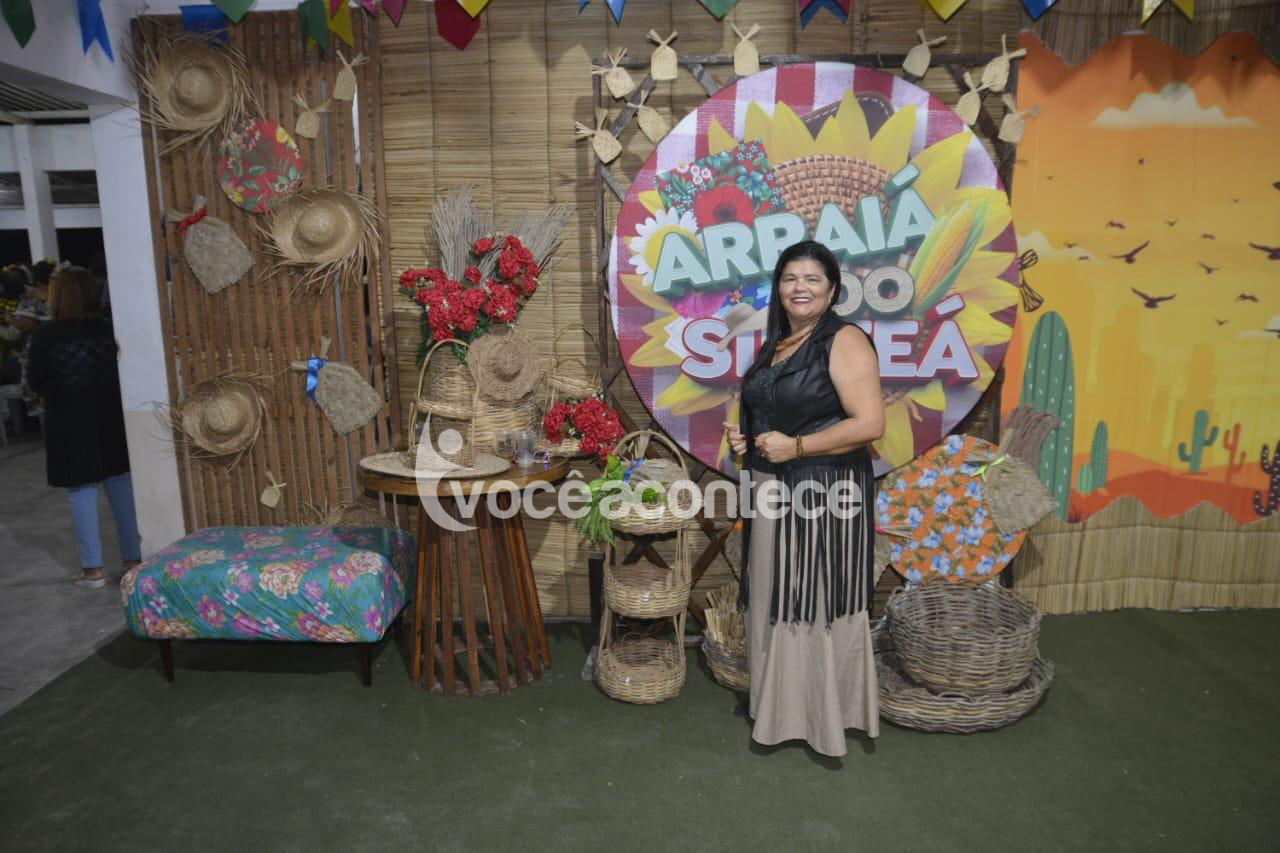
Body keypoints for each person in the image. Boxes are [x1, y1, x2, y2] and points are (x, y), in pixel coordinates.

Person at [724, 240, 886, 758]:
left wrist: (797, 447)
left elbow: (870, 424)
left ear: (832, 290)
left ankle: (822, 717)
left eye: (812, 279)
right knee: (774, 596)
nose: (800, 287)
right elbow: (770, 405)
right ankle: (778, 708)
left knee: (810, 599)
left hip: (823, 494)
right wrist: (745, 434)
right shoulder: (780, 342)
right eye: (790, 278)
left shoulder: (843, 340)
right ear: (778, 287)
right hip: (773, 491)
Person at [24, 265, 140, 589]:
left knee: (81, 494)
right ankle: (133, 560)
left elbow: (36, 382)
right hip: (111, 420)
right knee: (121, 487)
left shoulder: (46, 335)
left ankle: (93, 571)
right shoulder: (108, 329)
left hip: (70, 423)